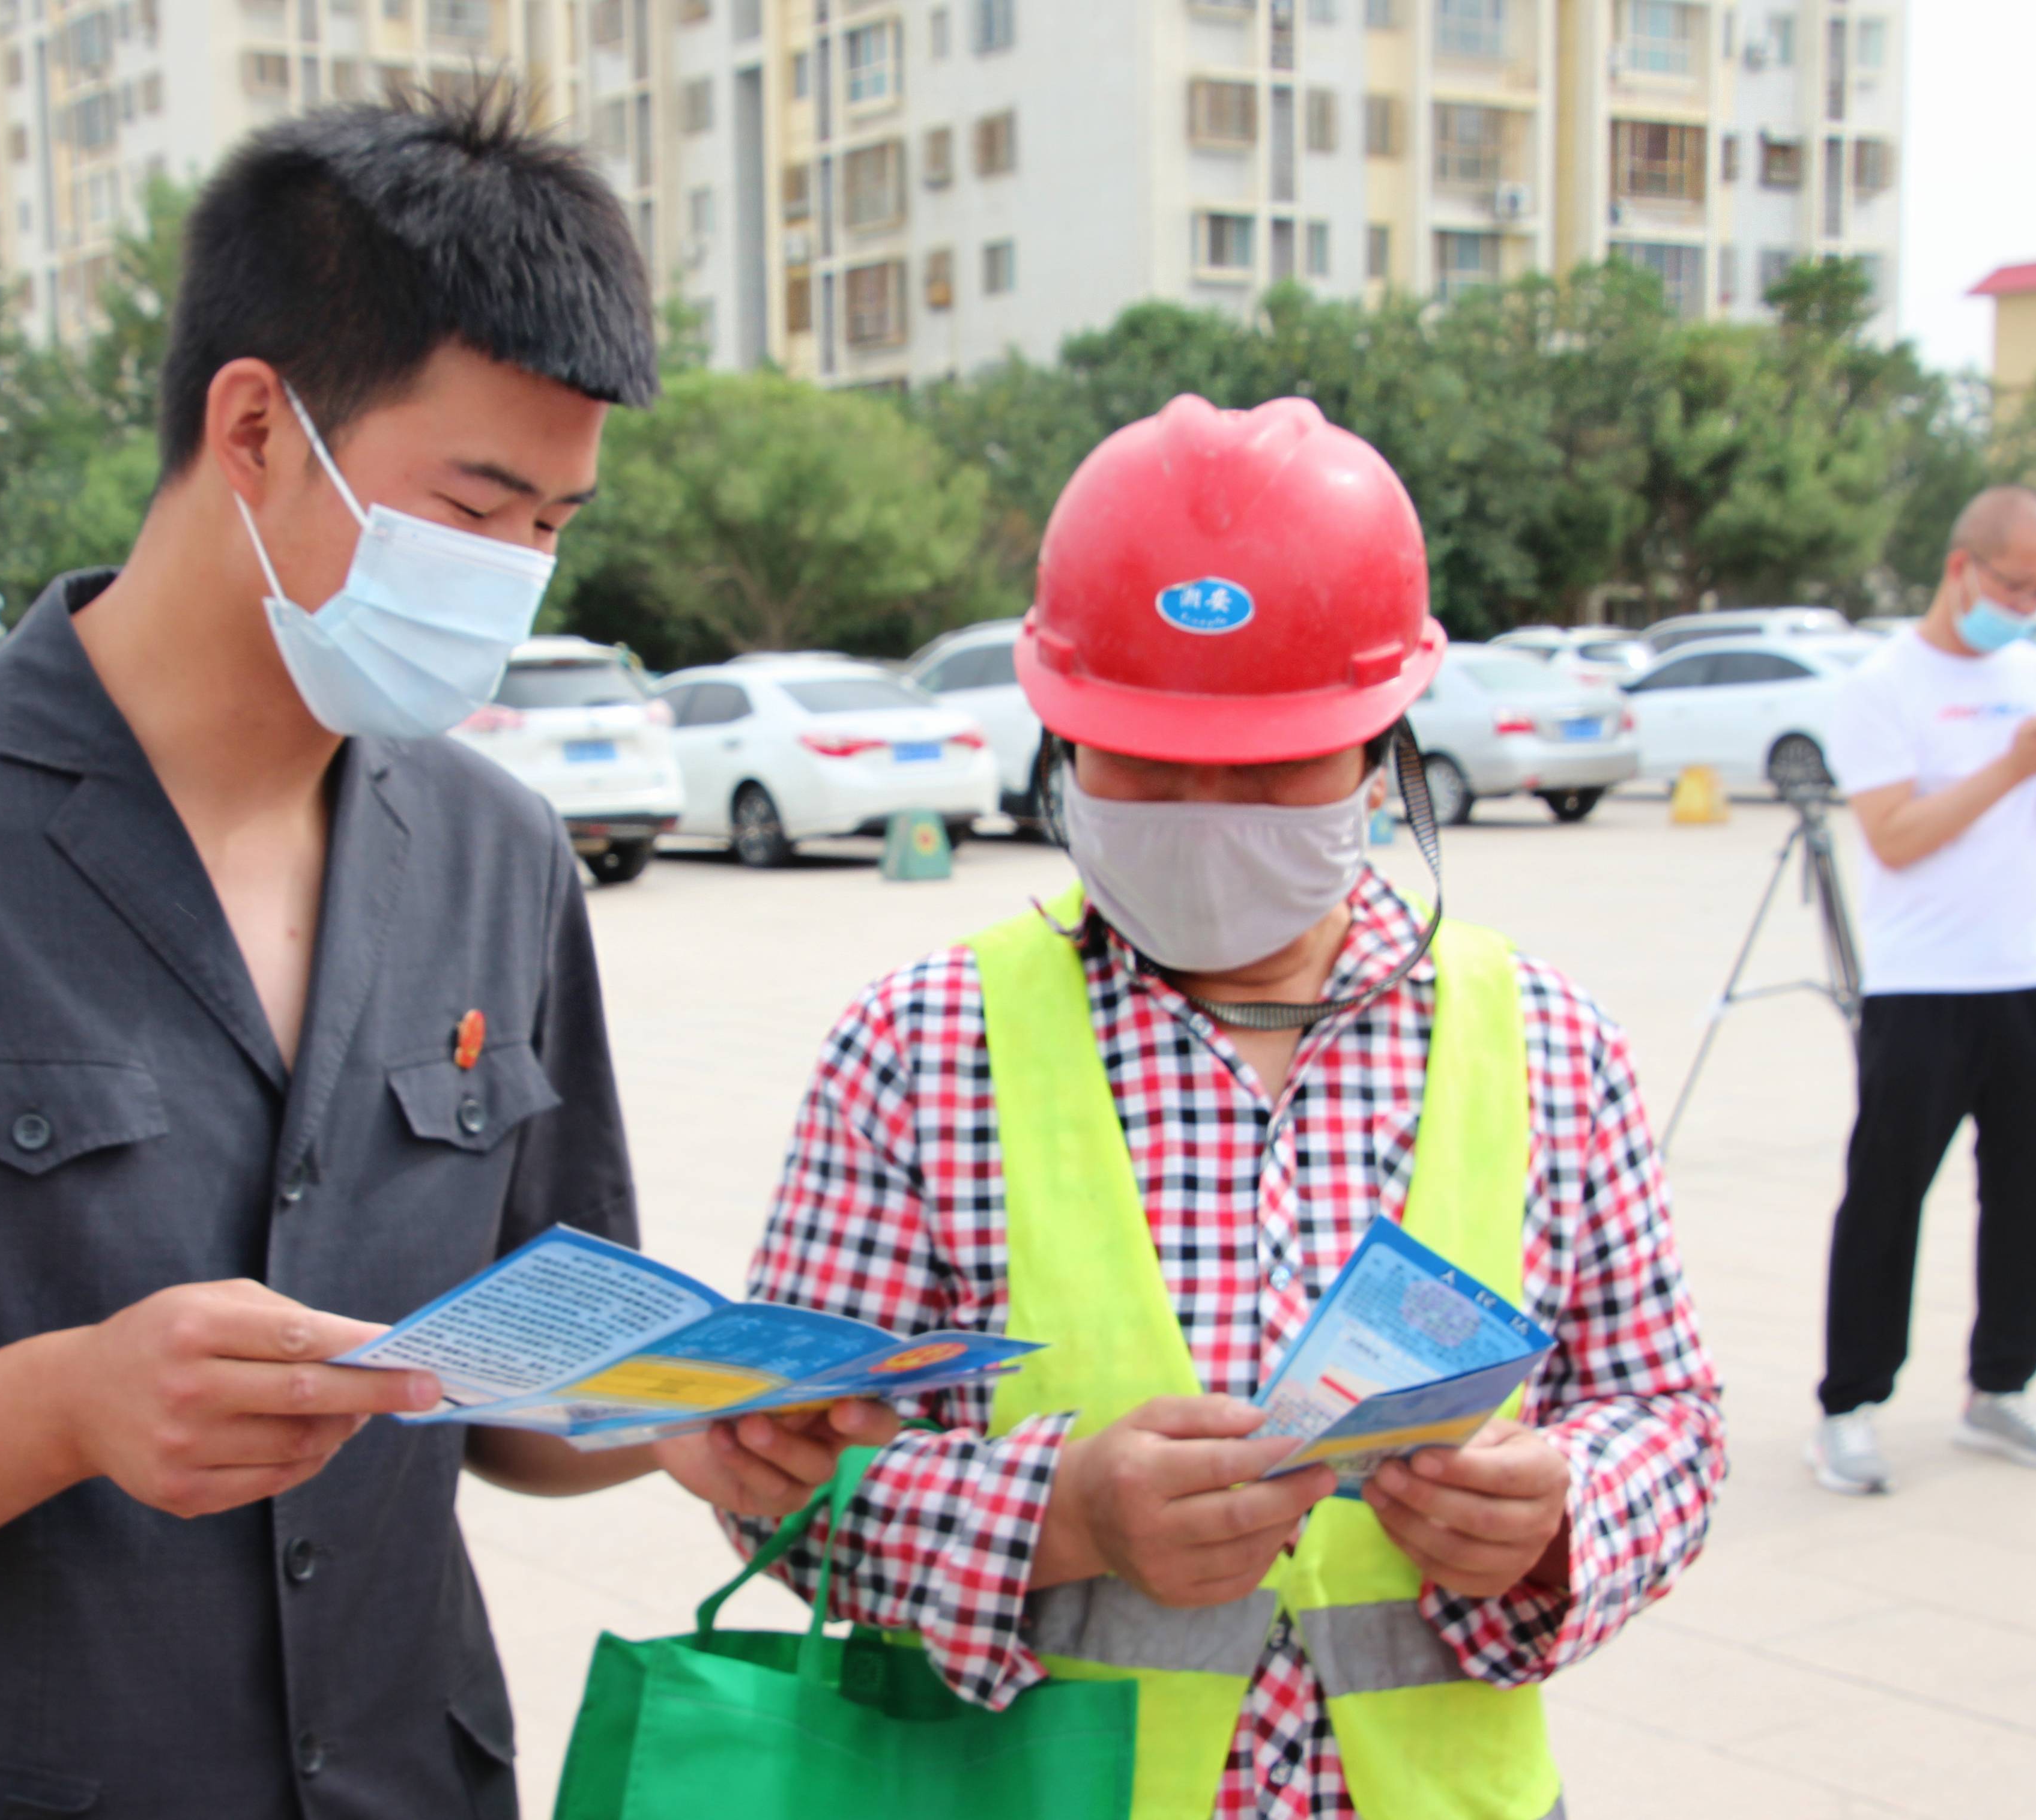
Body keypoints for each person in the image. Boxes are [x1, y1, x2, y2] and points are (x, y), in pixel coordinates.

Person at [0, 94, 889, 1820]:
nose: (511, 582)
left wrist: (683, 1420)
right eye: (472, 508)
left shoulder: (494, 855)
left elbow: (513, 1382)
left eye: (552, 526)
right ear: (254, 425)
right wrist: (62, 1408)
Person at [733, 396, 1726, 1820]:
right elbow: (775, 1485)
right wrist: (1059, 1517)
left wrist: (1565, 1515)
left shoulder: (1549, 1042)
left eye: (1269, 768)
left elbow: (1667, 1415)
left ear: (1384, 749)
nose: (1205, 810)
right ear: (1061, 740)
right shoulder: (918, 1049)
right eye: (1139, 763)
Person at [1810, 485, 2036, 1495]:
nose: (2029, 606)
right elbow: (1896, 840)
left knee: (2035, 1200)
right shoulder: (1881, 685)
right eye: (2014, 584)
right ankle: (1850, 1406)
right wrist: (2010, 764)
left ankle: (2002, 1388)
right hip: (1923, 992)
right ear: (1962, 569)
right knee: (1886, 1201)